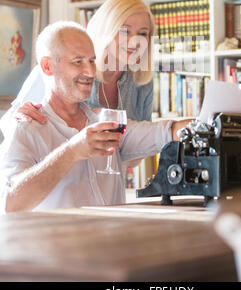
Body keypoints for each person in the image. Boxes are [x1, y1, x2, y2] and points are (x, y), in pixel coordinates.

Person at [0, 21, 188, 213]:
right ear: (48, 67)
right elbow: (10, 203)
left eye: (92, 61)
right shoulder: (26, 127)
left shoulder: (105, 122)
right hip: (57, 243)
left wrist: (204, 123)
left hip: (111, 242)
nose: (90, 72)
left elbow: (166, 132)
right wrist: (72, 151)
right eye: (77, 61)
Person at [3, 0, 155, 126]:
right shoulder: (60, 68)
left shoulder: (141, 82)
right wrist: (20, 117)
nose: (135, 42)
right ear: (106, 29)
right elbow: (8, 123)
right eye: (125, 31)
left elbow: (145, 139)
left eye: (142, 34)